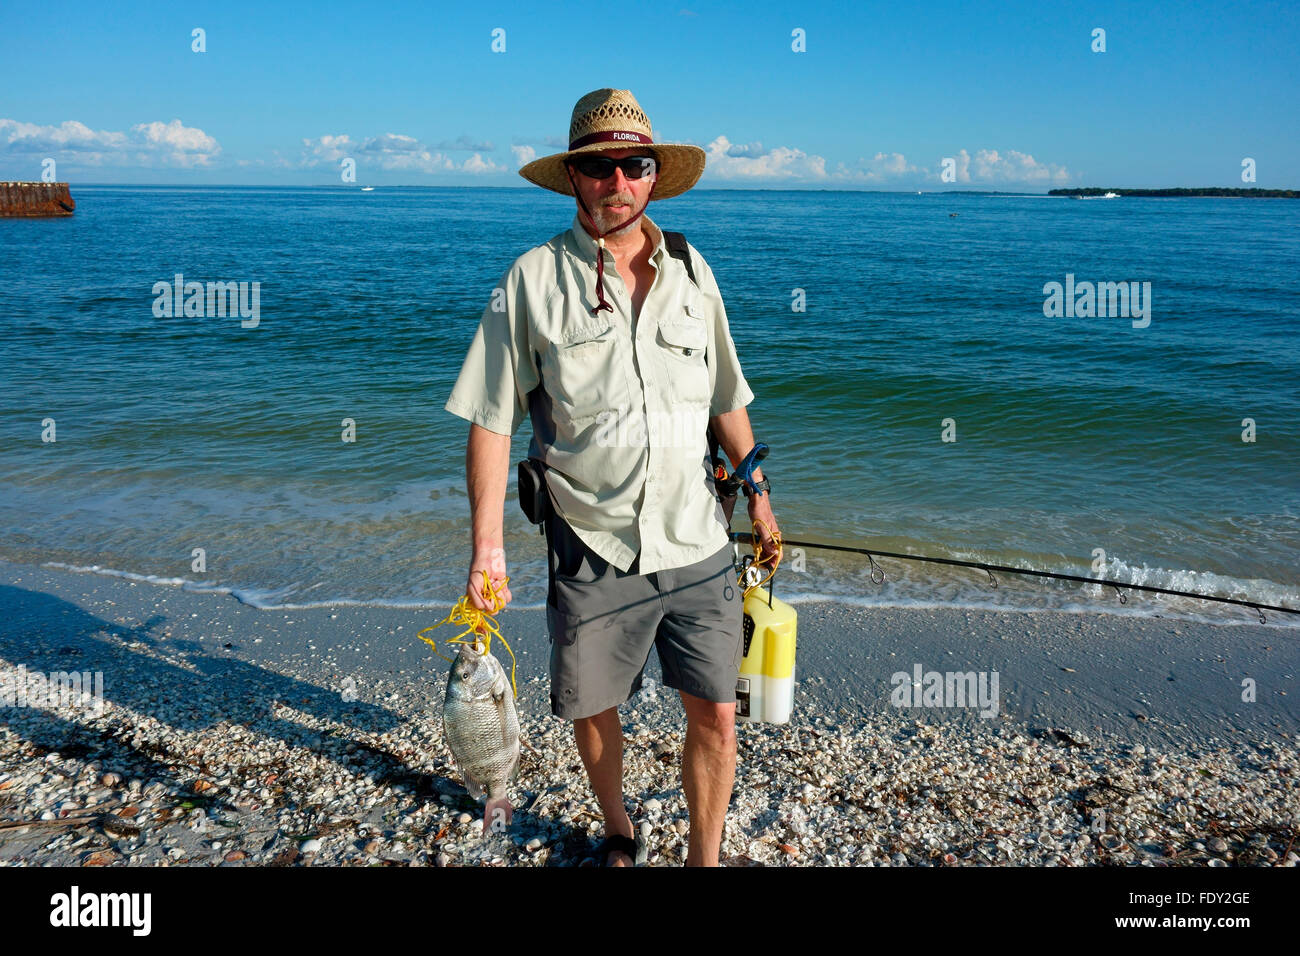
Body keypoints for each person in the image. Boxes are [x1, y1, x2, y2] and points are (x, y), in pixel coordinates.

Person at [443, 88, 779, 867]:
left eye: (635, 165)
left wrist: (759, 498)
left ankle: (704, 856)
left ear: (654, 176)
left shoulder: (694, 272)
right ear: (574, 178)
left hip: (698, 539)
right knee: (593, 711)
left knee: (718, 714)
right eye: (599, 167)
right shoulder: (529, 280)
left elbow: (727, 397)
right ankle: (620, 826)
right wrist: (486, 547)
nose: (617, 181)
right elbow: (491, 418)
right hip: (590, 545)